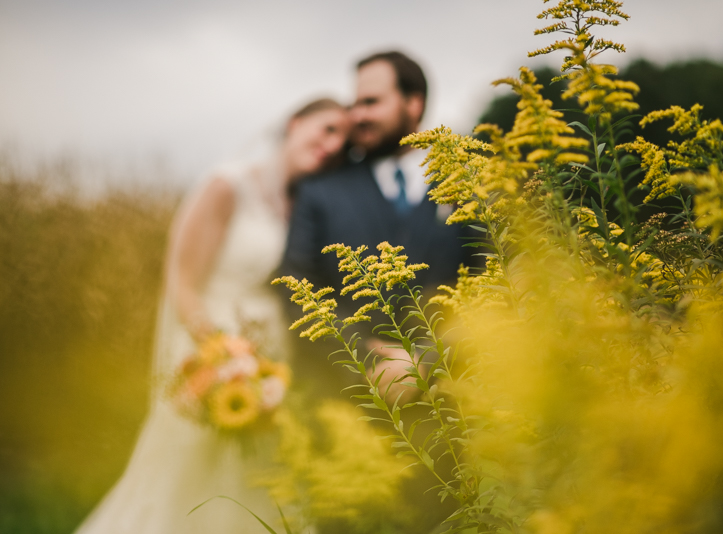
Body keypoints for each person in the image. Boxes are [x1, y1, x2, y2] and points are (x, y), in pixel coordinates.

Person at [74, 98, 350, 534]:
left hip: (273, 357)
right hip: (212, 348)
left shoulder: (301, 203)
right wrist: (222, 352)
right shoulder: (227, 185)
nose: (334, 144)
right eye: (328, 128)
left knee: (261, 477)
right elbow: (181, 282)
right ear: (296, 122)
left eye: (344, 140)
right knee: (190, 474)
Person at [279, 51, 473, 534]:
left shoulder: (466, 184)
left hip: (451, 420)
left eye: (372, 101)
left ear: (414, 104)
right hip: (347, 414)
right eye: (355, 102)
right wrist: (364, 356)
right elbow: (294, 285)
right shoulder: (320, 192)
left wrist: (425, 358)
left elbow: (489, 289)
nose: (357, 115)